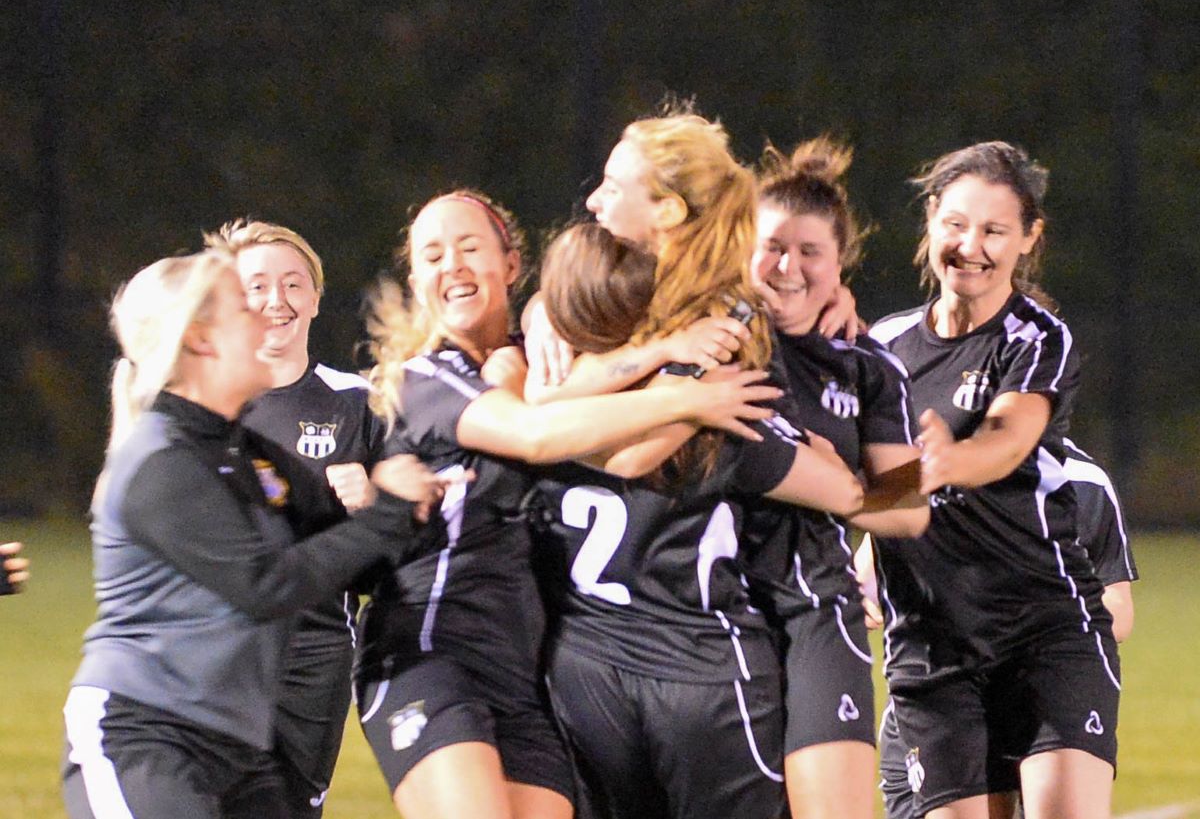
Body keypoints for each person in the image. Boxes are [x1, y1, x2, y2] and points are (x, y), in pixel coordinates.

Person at [356, 189, 783, 819]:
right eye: (433, 255)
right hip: (432, 650)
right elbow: (534, 434)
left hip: (528, 680)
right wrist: (683, 389)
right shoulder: (426, 379)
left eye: (471, 248)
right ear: (416, 278)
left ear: (512, 263)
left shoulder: (546, 368)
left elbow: (602, 426)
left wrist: (546, 319)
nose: (454, 266)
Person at [526, 110, 866, 819]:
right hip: (599, 648)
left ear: (669, 210)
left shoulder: (728, 313)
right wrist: (644, 366)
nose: (593, 199)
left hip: (696, 651)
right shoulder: (602, 296)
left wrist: (548, 423)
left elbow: (630, 451)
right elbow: (545, 402)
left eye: (614, 185)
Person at [61, 250, 444, 819]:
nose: (265, 317)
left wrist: (412, 507)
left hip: (238, 750)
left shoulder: (246, 455)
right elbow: (266, 586)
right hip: (143, 741)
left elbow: (347, 559)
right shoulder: (162, 459)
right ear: (200, 340)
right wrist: (387, 513)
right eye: (245, 306)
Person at [867, 141, 1118, 819]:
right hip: (931, 649)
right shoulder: (880, 349)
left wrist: (947, 462)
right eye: (954, 223)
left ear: (1029, 238)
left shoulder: (1036, 338)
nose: (969, 246)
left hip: (1044, 631)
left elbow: (1008, 438)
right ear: (929, 220)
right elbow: (867, 483)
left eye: (993, 230)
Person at [737, 137, 927, 819]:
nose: (787, 265)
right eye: (772, 246)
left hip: (818, 610)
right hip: (710, 613)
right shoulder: (713, 337)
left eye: (810, 251)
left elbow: (908, 511)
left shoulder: (867, 366)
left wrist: (841, 482)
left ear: (839, 262)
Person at [209, 219, 386, 817]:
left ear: (315, 298)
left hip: (313, 652)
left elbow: (395, 559)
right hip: (212, 644)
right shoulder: (201, 401)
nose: (276, 301)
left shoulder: (360, 403)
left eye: (293, 284)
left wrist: (374, 504)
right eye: (257, 285)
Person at [866, 439, 1138, 819]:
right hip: (937, 693)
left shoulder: (1081, 479)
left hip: (1037, 693)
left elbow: (1118, 605)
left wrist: (1044, 616)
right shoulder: (922, 469)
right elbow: (866, 576)